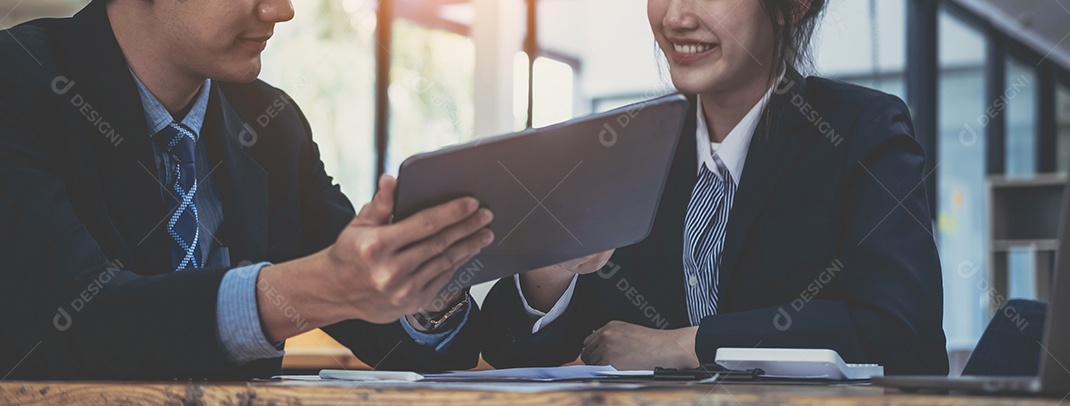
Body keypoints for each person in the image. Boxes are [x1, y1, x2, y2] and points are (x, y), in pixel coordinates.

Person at [0, 0, 492, 379]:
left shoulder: (271, 123)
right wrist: (318, 286)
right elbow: (73, 322)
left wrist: (425, 284)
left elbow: (382, 326)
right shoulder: (18, 80)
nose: (282, 10)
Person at [480, 0, 949, 375]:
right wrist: (554, 271)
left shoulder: (860, 131)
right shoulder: (627, 146)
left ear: (793, 6)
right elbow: (507, 352)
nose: (676, 17)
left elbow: (903, 338)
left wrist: (687, 343)